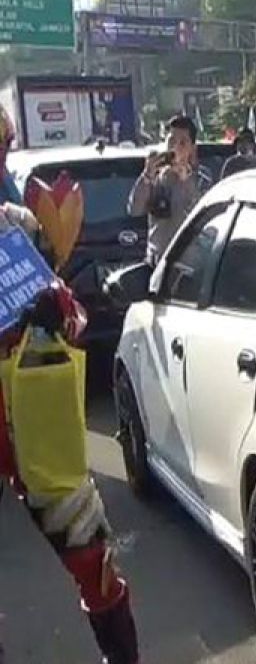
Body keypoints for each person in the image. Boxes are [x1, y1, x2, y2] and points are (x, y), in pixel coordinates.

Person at [0, 202, 140, 664]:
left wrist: (51, 316)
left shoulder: (17, 229)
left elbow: (73, 315)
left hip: (32, 413)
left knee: (90, 554)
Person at [126, 115, 212, 264]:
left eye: (182, 143)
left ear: (192, 148)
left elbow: (205, 217)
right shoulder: (155, 175)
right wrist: (147, 176)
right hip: (158, 260)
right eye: (171, 141)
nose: (175, 147)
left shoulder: (202, 177)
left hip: (189, 263)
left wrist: (186, 181)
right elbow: (135, 209)